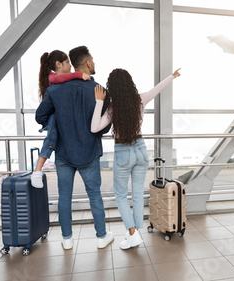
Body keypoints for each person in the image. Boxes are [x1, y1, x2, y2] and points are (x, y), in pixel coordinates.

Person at [91, 68, 181, 250]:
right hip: (141, 150)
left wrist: (99, 102)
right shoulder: (140, 99)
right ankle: (135, 233)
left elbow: (94, 128)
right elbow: (157, 88)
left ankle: (133, 234)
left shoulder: (112, 107)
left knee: (121, 195)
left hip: (123, 152)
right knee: (138, 194)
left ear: (112, 87)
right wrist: (172, 76)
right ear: (129, 83)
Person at [35, 46, 114, 250]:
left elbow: (40, 117)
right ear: (87, 63)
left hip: (63, 153)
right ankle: (101, 236)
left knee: (64, 197)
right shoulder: (100, 91)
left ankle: (67, 239)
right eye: (93, 60)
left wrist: (57, 120)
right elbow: (104, 129)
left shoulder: (54, 90)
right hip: (89, 153)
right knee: (94, 195)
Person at [31, 50, 91, 188]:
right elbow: (60, 79)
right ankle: (37, 170)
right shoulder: (53, 77)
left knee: (54, 130)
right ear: (58, 64)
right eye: (67, 63)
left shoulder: (59, 81)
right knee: (52, 132)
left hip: (57, 119)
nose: (70, 66)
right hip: (51, 117)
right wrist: (79, 75)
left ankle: (38, 169)